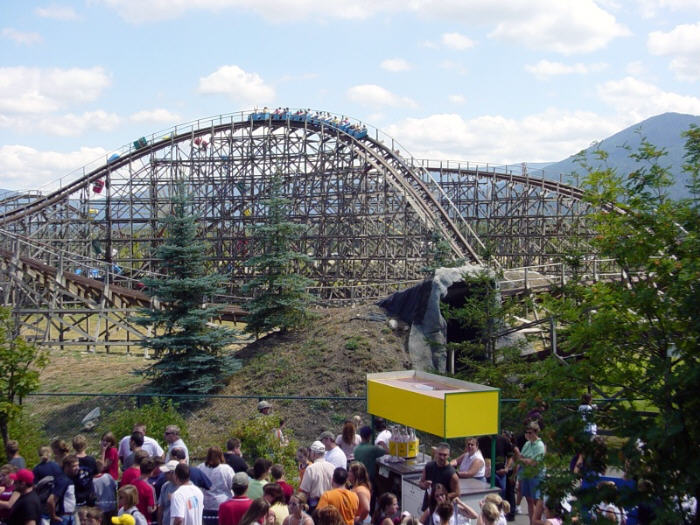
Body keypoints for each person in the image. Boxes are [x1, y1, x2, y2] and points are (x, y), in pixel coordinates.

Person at [513, 422, 545, 525]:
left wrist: (524, 460)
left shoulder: (540, 445)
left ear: (536, 432)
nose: (528, 434)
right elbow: (520, 458)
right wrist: (524, 460)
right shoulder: (527, 444)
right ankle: (532, 522)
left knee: (537, 501)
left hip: (535, 475)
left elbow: (533, 463)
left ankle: (540, 522)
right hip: (525, 474)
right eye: (527, 432)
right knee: (529, 500)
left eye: (530, 432)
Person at [198, 447, 234, 525]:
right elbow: (232, 485)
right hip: (222, 503)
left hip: (206, 503)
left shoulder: (201, 467)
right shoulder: (226, 469)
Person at [418, 443, 459, 512]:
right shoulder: (429, 466)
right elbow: (421, 483)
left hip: (443, 510)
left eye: (445, 455)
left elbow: (457, 493)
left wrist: (440, 496)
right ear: (436, 453)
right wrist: (424, 485)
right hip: (428, 506)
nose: (442, 457)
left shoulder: (451, 474)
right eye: (440, 454)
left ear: (449, 456)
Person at [298, 442, 335, 512]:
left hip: (315, 505)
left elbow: (304, 491)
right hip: (330, 503)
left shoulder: (310, 468)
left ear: (314, 453)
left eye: (311, 452)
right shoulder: (332, 467)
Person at [47, 455, 78, 525]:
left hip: (70, 516)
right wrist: (53, 515)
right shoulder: (63, 480)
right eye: (74, 466)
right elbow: (50, 500)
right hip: (63, 517)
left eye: (77, 465)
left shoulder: (69, 479)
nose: (77, 468)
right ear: (67, 467)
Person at [72, 435, 98, 508]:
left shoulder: (71, 460)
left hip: (76, 494)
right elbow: (95, 474)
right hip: (89, 494)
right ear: (85, 445)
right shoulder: (91, 460)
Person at [92, 459, 117, 525]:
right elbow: (115, 488)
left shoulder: (92, 481)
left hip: (100, 508)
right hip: (112, 506)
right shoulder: (108, 476)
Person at [157, 461, 179, 525]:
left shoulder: (184, 487)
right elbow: (160, 507)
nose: (164, 474)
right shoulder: (165, 486)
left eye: (167, 473)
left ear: (173, 473)